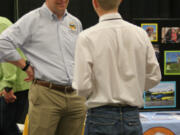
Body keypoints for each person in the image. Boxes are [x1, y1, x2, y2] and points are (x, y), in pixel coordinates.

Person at [72, 0, 162, 135]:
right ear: (120, 1)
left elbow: (82, 86)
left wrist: (101, 90)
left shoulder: (87, 37)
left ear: (94, 3)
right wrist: (132, 87)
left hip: (100, 116)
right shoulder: (140, 34)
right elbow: (155, 76)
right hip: (131, 117)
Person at [0, 0, 86, 135]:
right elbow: (3, 44)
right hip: (47, 94)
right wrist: (25, 66)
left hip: (75, 96)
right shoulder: (32, 20)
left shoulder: (75, 22)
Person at [0, 16, 31, 135]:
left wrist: (8, 85)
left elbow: (7, 54)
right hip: (5, 85)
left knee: (5, 127)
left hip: (13, 88)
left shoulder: (1, 24)